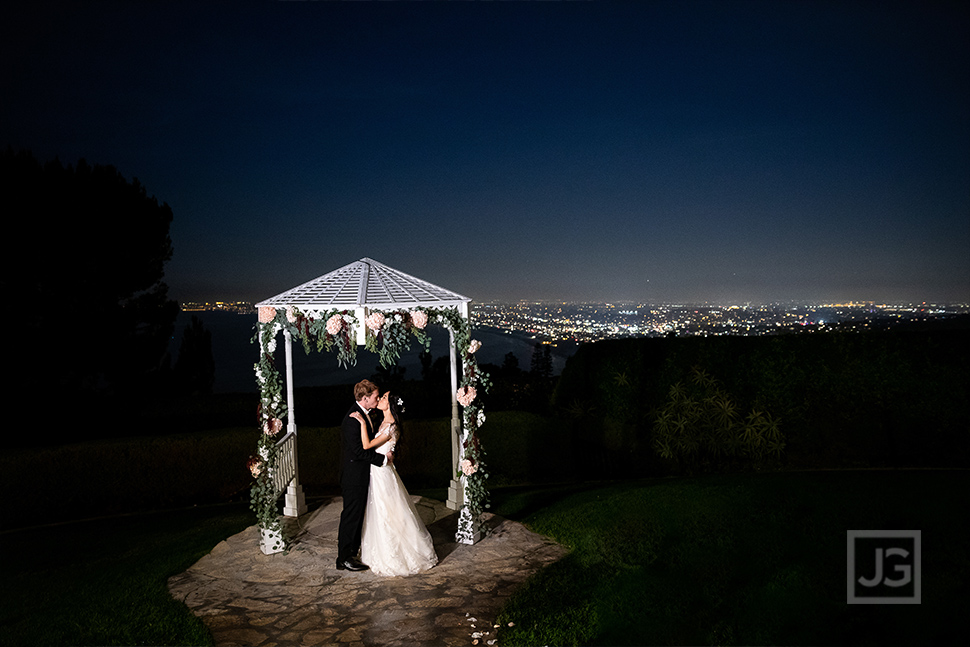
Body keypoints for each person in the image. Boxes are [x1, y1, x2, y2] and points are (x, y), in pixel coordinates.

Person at [350, 391, 438, 576]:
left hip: (383, 474)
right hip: (377, 471)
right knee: (381, 512)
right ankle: (379, 550)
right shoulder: (383, 422)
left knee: (389, 512)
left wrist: (361, 423)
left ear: (389, 404)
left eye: (383, 398)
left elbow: (367, 446)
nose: (380, 399)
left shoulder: (391, 426)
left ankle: (398, 554)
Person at [336, 379, 388, 571]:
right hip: (353, 477)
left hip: (361, 475)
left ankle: (353, 552)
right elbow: (359, 451)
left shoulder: (365, 415)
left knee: (358, 515)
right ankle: (344, 558)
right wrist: (383, 460)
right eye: (375, 396)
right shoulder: (352, 419)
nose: (377, 399)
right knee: (351, 515)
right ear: (365, 398)